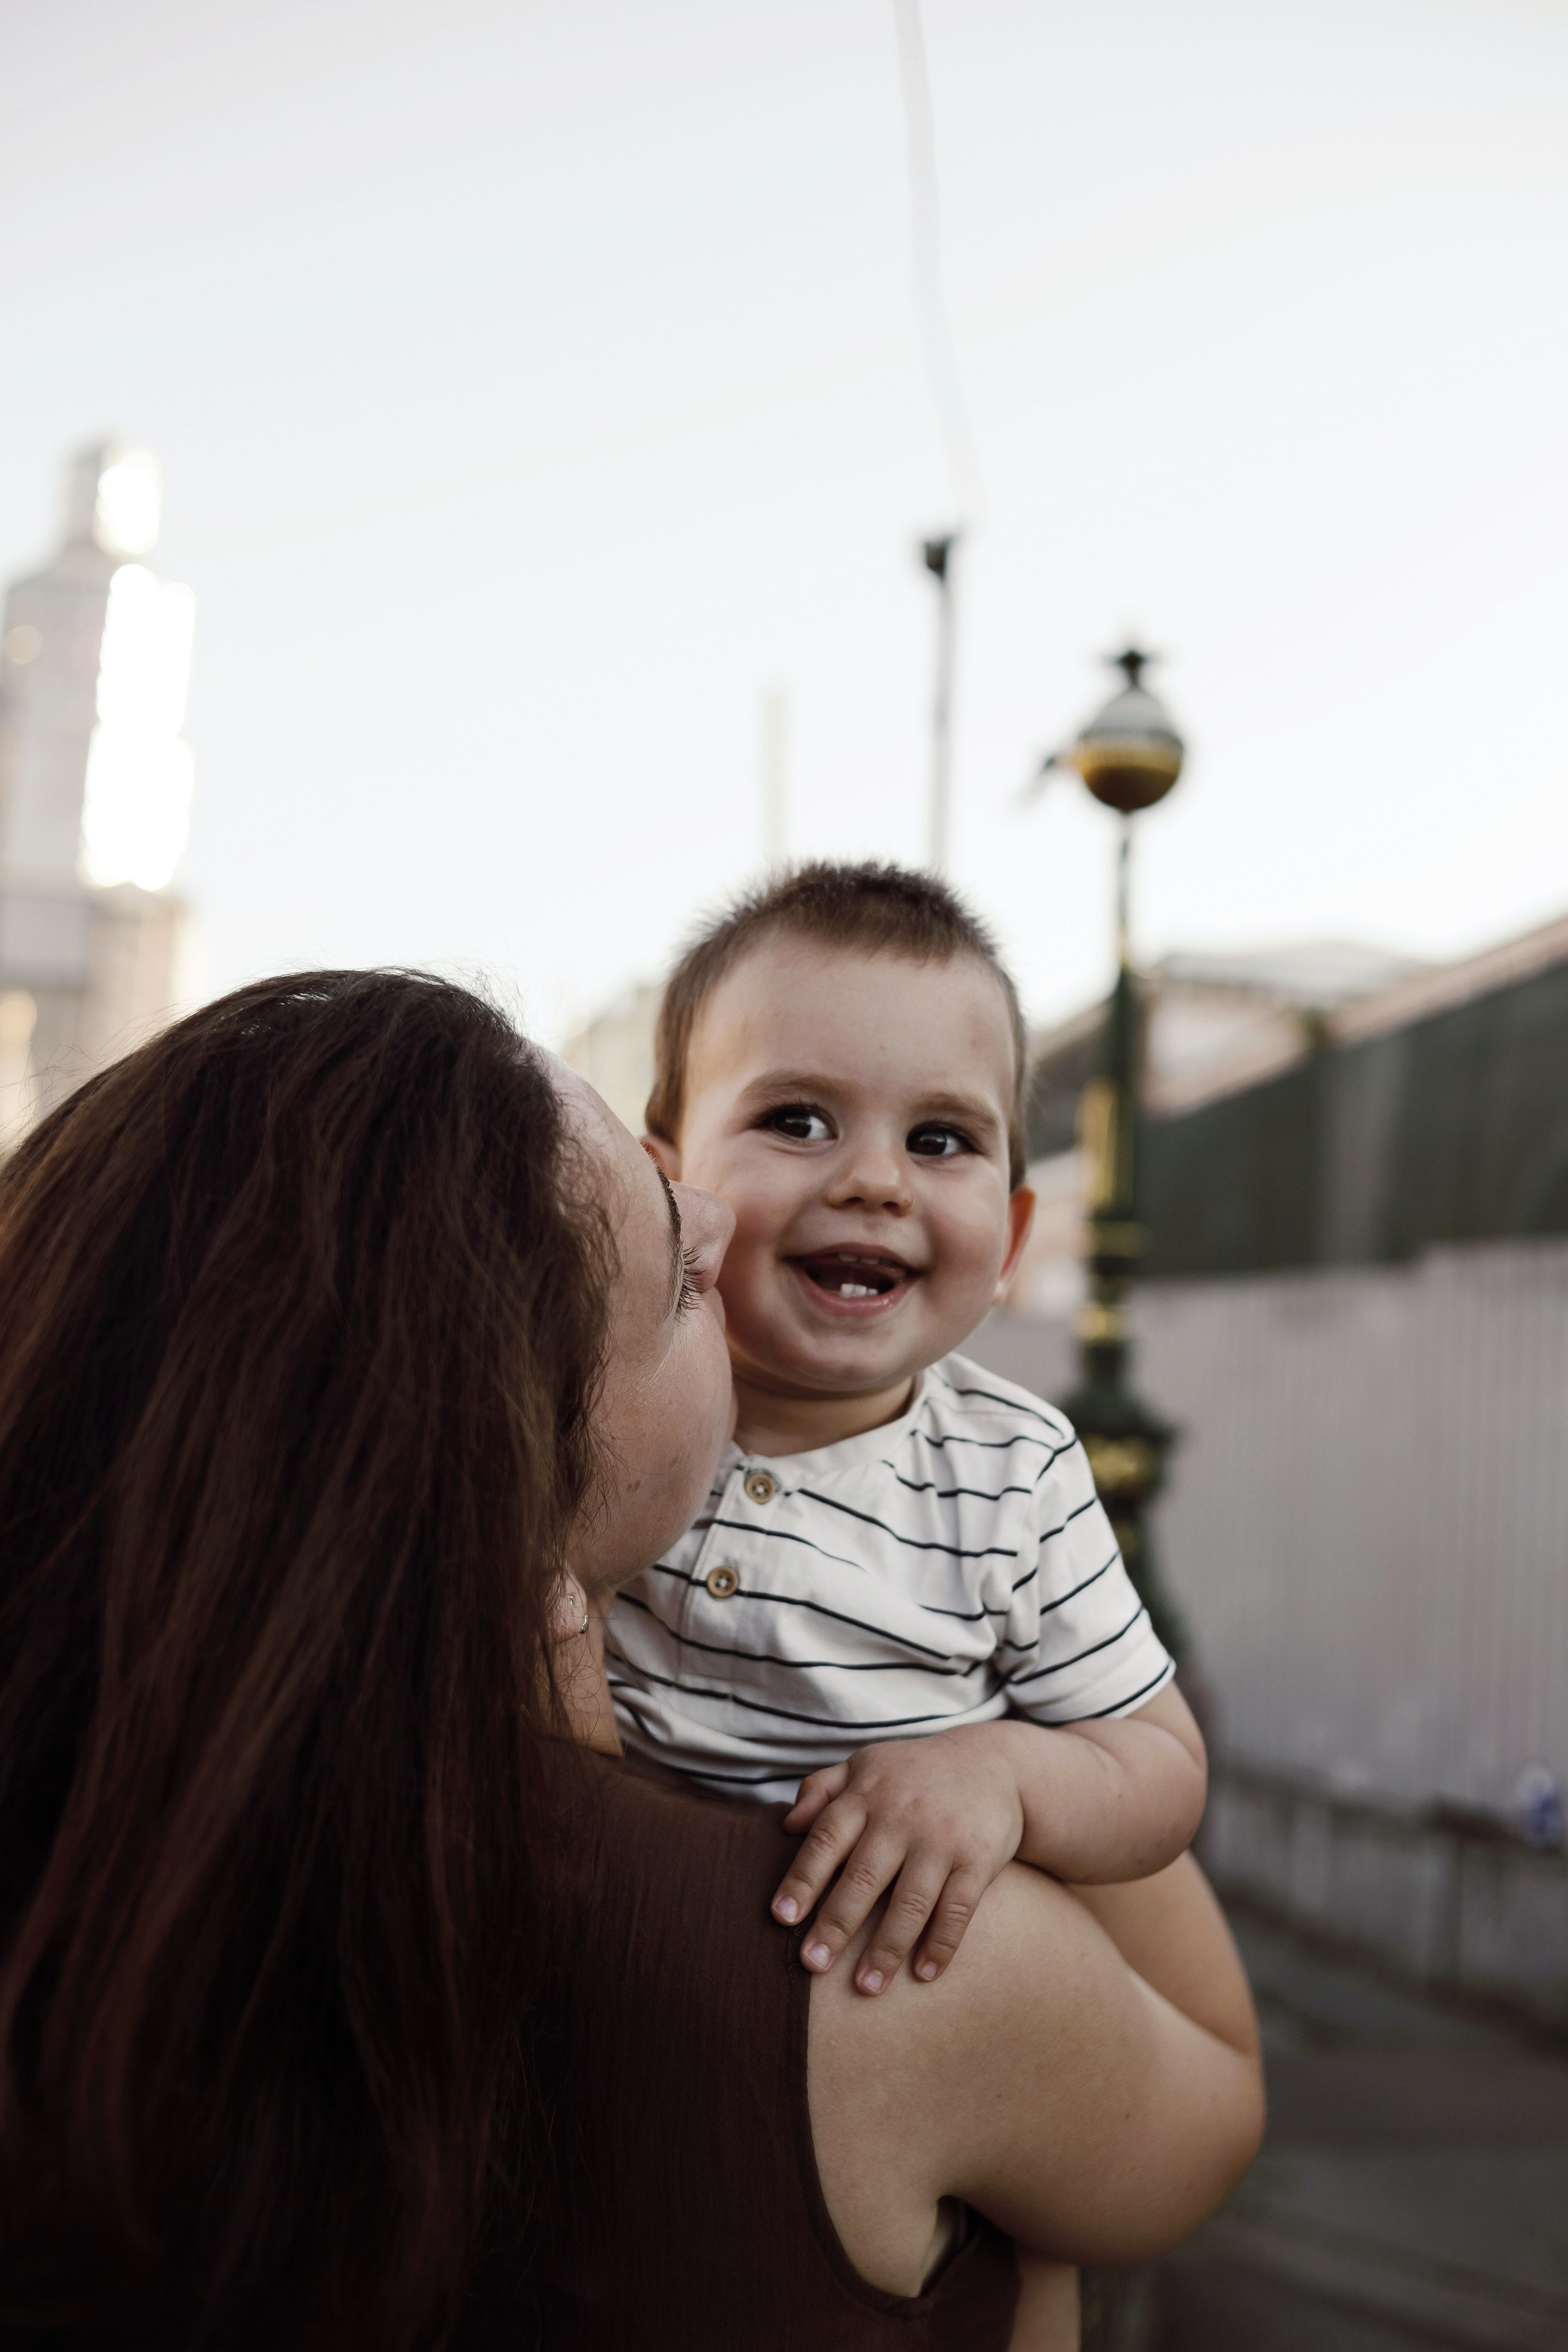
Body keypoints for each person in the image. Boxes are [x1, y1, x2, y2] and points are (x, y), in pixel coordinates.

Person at [0, 969, 1261, 2351]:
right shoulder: (883, 1967)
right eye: (678, 1277)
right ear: (518, 1529)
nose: (730, 1216)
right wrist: (1034, 1727)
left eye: (938, 1138)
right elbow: (1209, 2113)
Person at [612, 861, 1205, 2001]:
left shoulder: (1011, 1474)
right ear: (665, 1188)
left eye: (941, 1140)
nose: (877, 1180)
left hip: (877, 2014)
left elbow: (1162, 1770)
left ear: (1015, 1238)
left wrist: (1002, 1778)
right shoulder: (593, 1397)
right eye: (797, 1119)